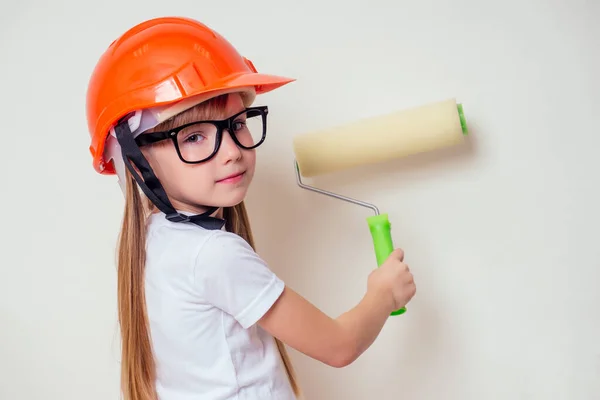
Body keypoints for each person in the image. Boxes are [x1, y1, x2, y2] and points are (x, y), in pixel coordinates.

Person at [85, 16, 416, 400]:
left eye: (237, 124)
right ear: (136, 160)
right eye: (193, 136)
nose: (232, 152)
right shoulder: (214, 254)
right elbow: (339, 346)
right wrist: (384, 294)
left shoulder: (156, 240)